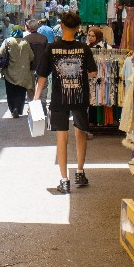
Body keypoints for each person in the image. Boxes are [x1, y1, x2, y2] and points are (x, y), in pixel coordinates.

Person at [33, 12, 97, 194]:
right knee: (80, 134)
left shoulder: (52, 48)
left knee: (62, 138)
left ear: (61, 26)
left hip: (59, 98)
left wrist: (36, 99)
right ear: (78, 28)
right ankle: (80, 172)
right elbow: (92, 73)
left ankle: (64, 180)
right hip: (79, 97)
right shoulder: (84, 49)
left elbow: (42, 76)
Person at [0, 26, 34, 118]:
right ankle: (17, 108)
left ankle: (12, 108)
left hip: (9, 72)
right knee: (21, 92)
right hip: (22, 73)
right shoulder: (25, 42)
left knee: (10, 92)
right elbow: (31, 56)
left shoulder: (8, 41)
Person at [23, 20, 48, 102]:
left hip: (30, 67)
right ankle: (43, 102)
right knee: (43, 86)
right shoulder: (43, 38)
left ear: (29, 28)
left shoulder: (26, 39)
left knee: (30, 87)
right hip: (42, 66)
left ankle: (32, 105)